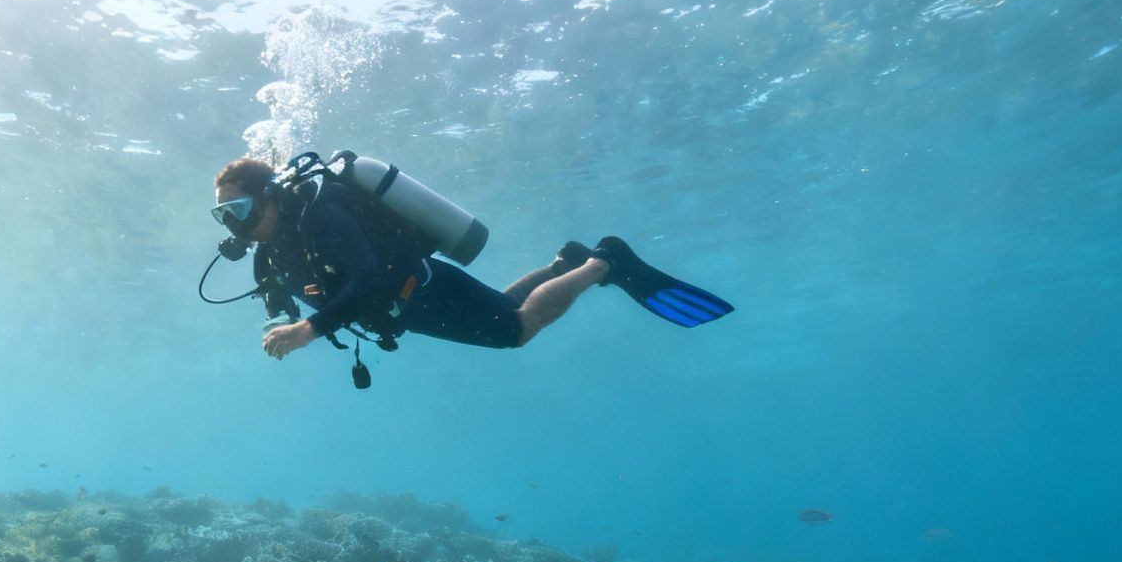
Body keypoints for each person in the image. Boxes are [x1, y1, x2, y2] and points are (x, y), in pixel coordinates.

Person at [210, 156, 731, 364]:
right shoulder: (269, 250)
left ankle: (603, 265)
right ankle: (561, 265)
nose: (233, 223)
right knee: (504, 305)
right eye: (222, 216)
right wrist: (279, 318)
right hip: (406, 309)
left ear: (270, 195)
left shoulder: (324, 216)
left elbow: (367, 281)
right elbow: (278, 299)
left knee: (516, 330)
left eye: (237, 208)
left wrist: (309, 331)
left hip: (420, 290)